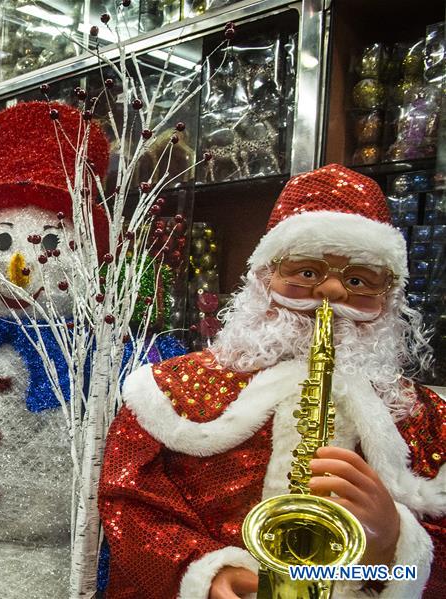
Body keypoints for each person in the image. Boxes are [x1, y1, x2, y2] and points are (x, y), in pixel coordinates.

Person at [98, 164, 445, 599]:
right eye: (306, 272)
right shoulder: (170, 388)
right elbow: (129, 504)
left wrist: (393, 543)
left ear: (387, 298)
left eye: (358, 280)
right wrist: (206, 574)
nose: (332, 292)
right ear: (264, 279)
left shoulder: (427, 417)